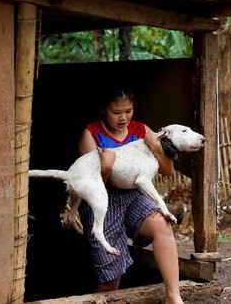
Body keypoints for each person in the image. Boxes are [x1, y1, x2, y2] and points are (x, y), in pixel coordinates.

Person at [74, 86, 184, 304]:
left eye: (128, 111)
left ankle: (173, 296)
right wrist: (105, 169)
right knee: (110, 281)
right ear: (104, 110)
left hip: (134, 195)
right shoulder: (91, 134)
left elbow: (167, 171)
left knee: (162, 224)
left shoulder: (141, 130)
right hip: (101, 201)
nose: (123, 117)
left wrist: (157, 147)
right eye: (116, 112)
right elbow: (89, 184)